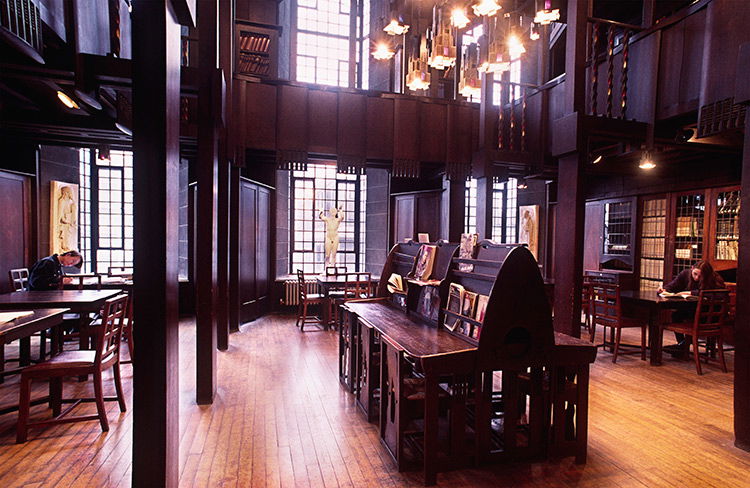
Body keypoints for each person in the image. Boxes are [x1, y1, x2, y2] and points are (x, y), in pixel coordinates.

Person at [657, 260, 725, 354]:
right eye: (695, 274)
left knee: (679, 314)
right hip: (694, 310)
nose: (697, 278)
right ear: (692, 269)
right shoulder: (685, 274)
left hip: (709, 315)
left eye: (700, 276)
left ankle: (683, 345)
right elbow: (672, 286)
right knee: (676, 315)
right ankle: (682, 344)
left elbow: (721, 295)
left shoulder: (714, 279)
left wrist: (692, 293)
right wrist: (664, 289)